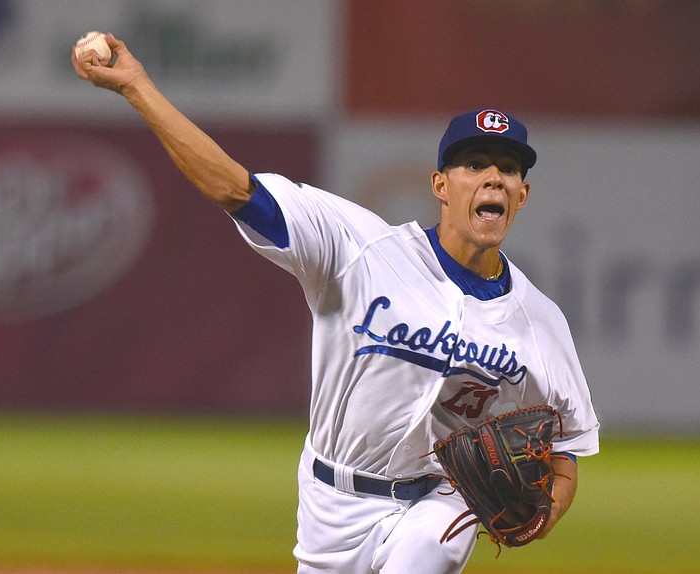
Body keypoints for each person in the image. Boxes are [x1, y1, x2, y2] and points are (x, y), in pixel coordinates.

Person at [73, 34, 599, 574]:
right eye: (475, 164)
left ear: (522, 193)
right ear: (441, 184)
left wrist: (544, 514)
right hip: (330, 499)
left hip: (439, 505)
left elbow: (570, 446)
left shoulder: (540, 323)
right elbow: (236, 189)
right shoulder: (359, 249)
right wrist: (138, 88)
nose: (493, 176)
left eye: (508, 169)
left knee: (433, 549)